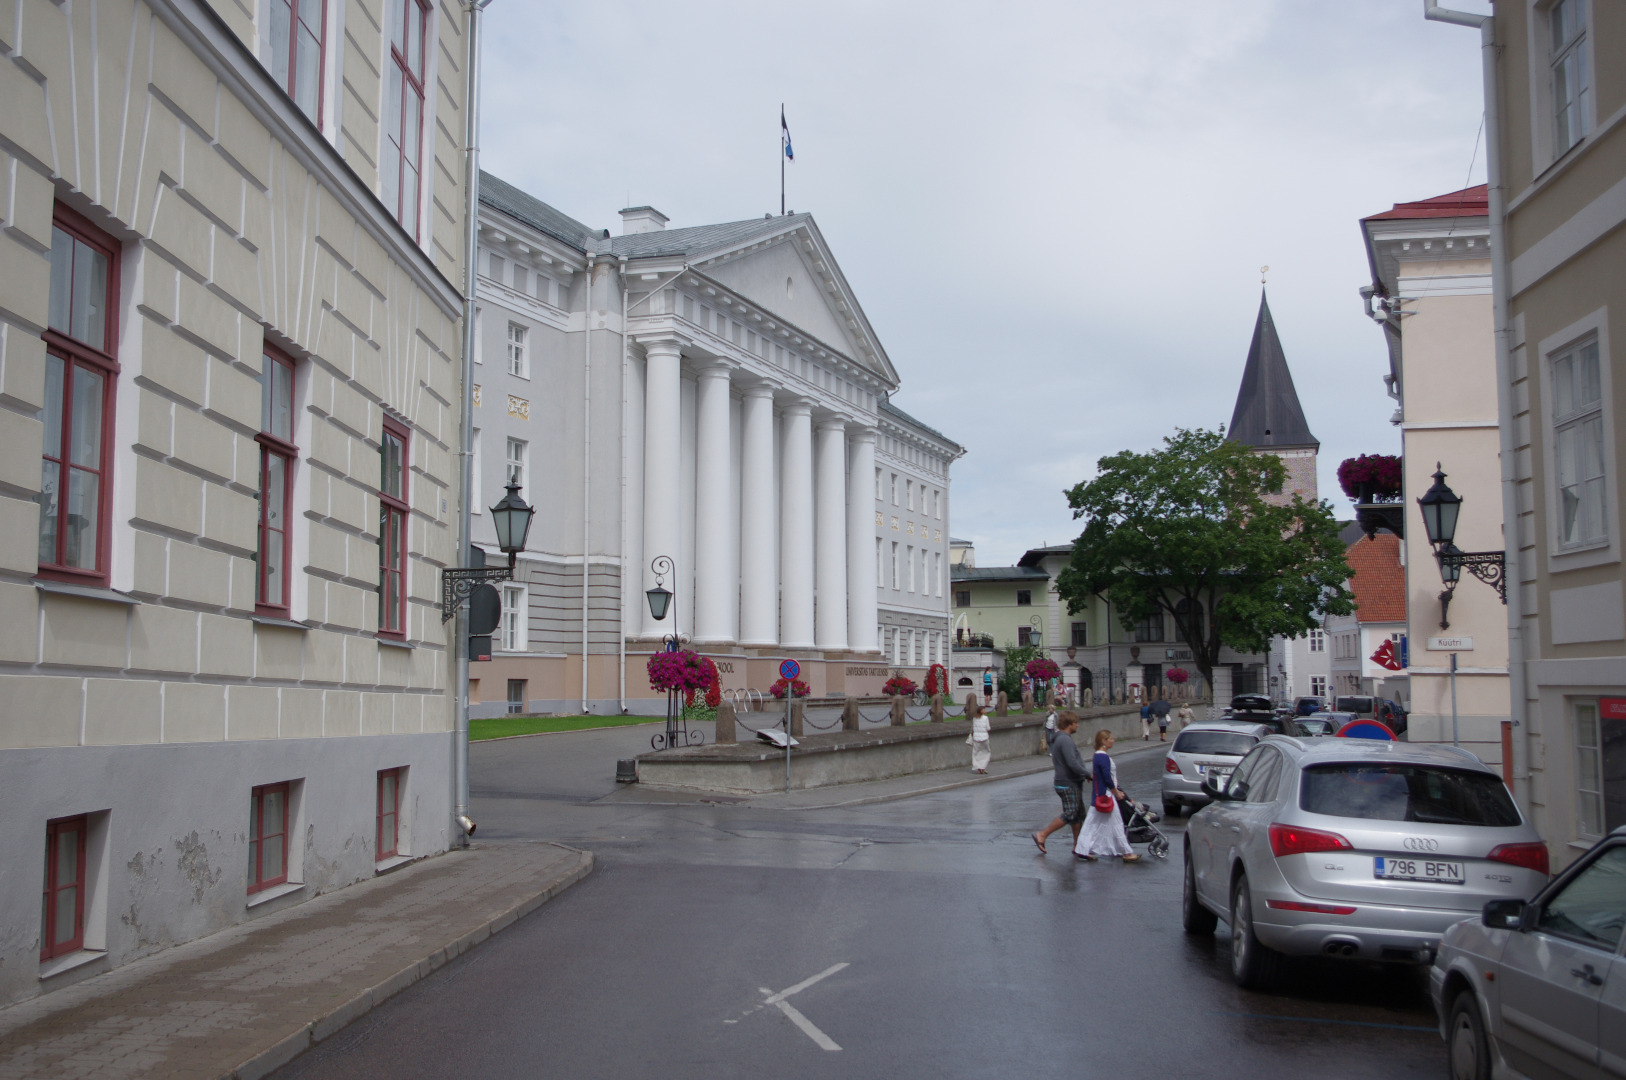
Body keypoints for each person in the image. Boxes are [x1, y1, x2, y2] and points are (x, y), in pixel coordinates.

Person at [1074, 729, 1138, 862]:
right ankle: (1127, 852)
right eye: (1111, 739)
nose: (1113, 741)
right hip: (1106, 796)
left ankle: (1083, 848)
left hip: (1100, 795)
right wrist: (1116, 791)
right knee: (1116, 824)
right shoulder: (1102, 757)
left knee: (1092, 823)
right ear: (1104, 741)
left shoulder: (1098, 756)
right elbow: (1107, 777)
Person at [1033, 712, 1089, 854]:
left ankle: (1077, 845)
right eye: (1076, 723)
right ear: (1069, 724)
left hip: (1071, 781)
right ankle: (1042, 834)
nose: (1078, 725)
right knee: (1070, 814)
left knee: (1078, 815)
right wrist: (1087, 774)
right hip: (1068, 782)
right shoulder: (1064, 740)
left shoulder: (1062, 738)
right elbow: (1072, 763)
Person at [968, 702, 991, 773]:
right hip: (984, 738)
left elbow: (973, 728)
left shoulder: (975, 718)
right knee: (986, 752)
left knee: (976, 753)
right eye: (984, 709)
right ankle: (983, 767)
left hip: (976, 738)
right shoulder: (985, 718)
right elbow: (988, 728)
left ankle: (978, 768)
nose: (985, 710)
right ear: (982, 711)